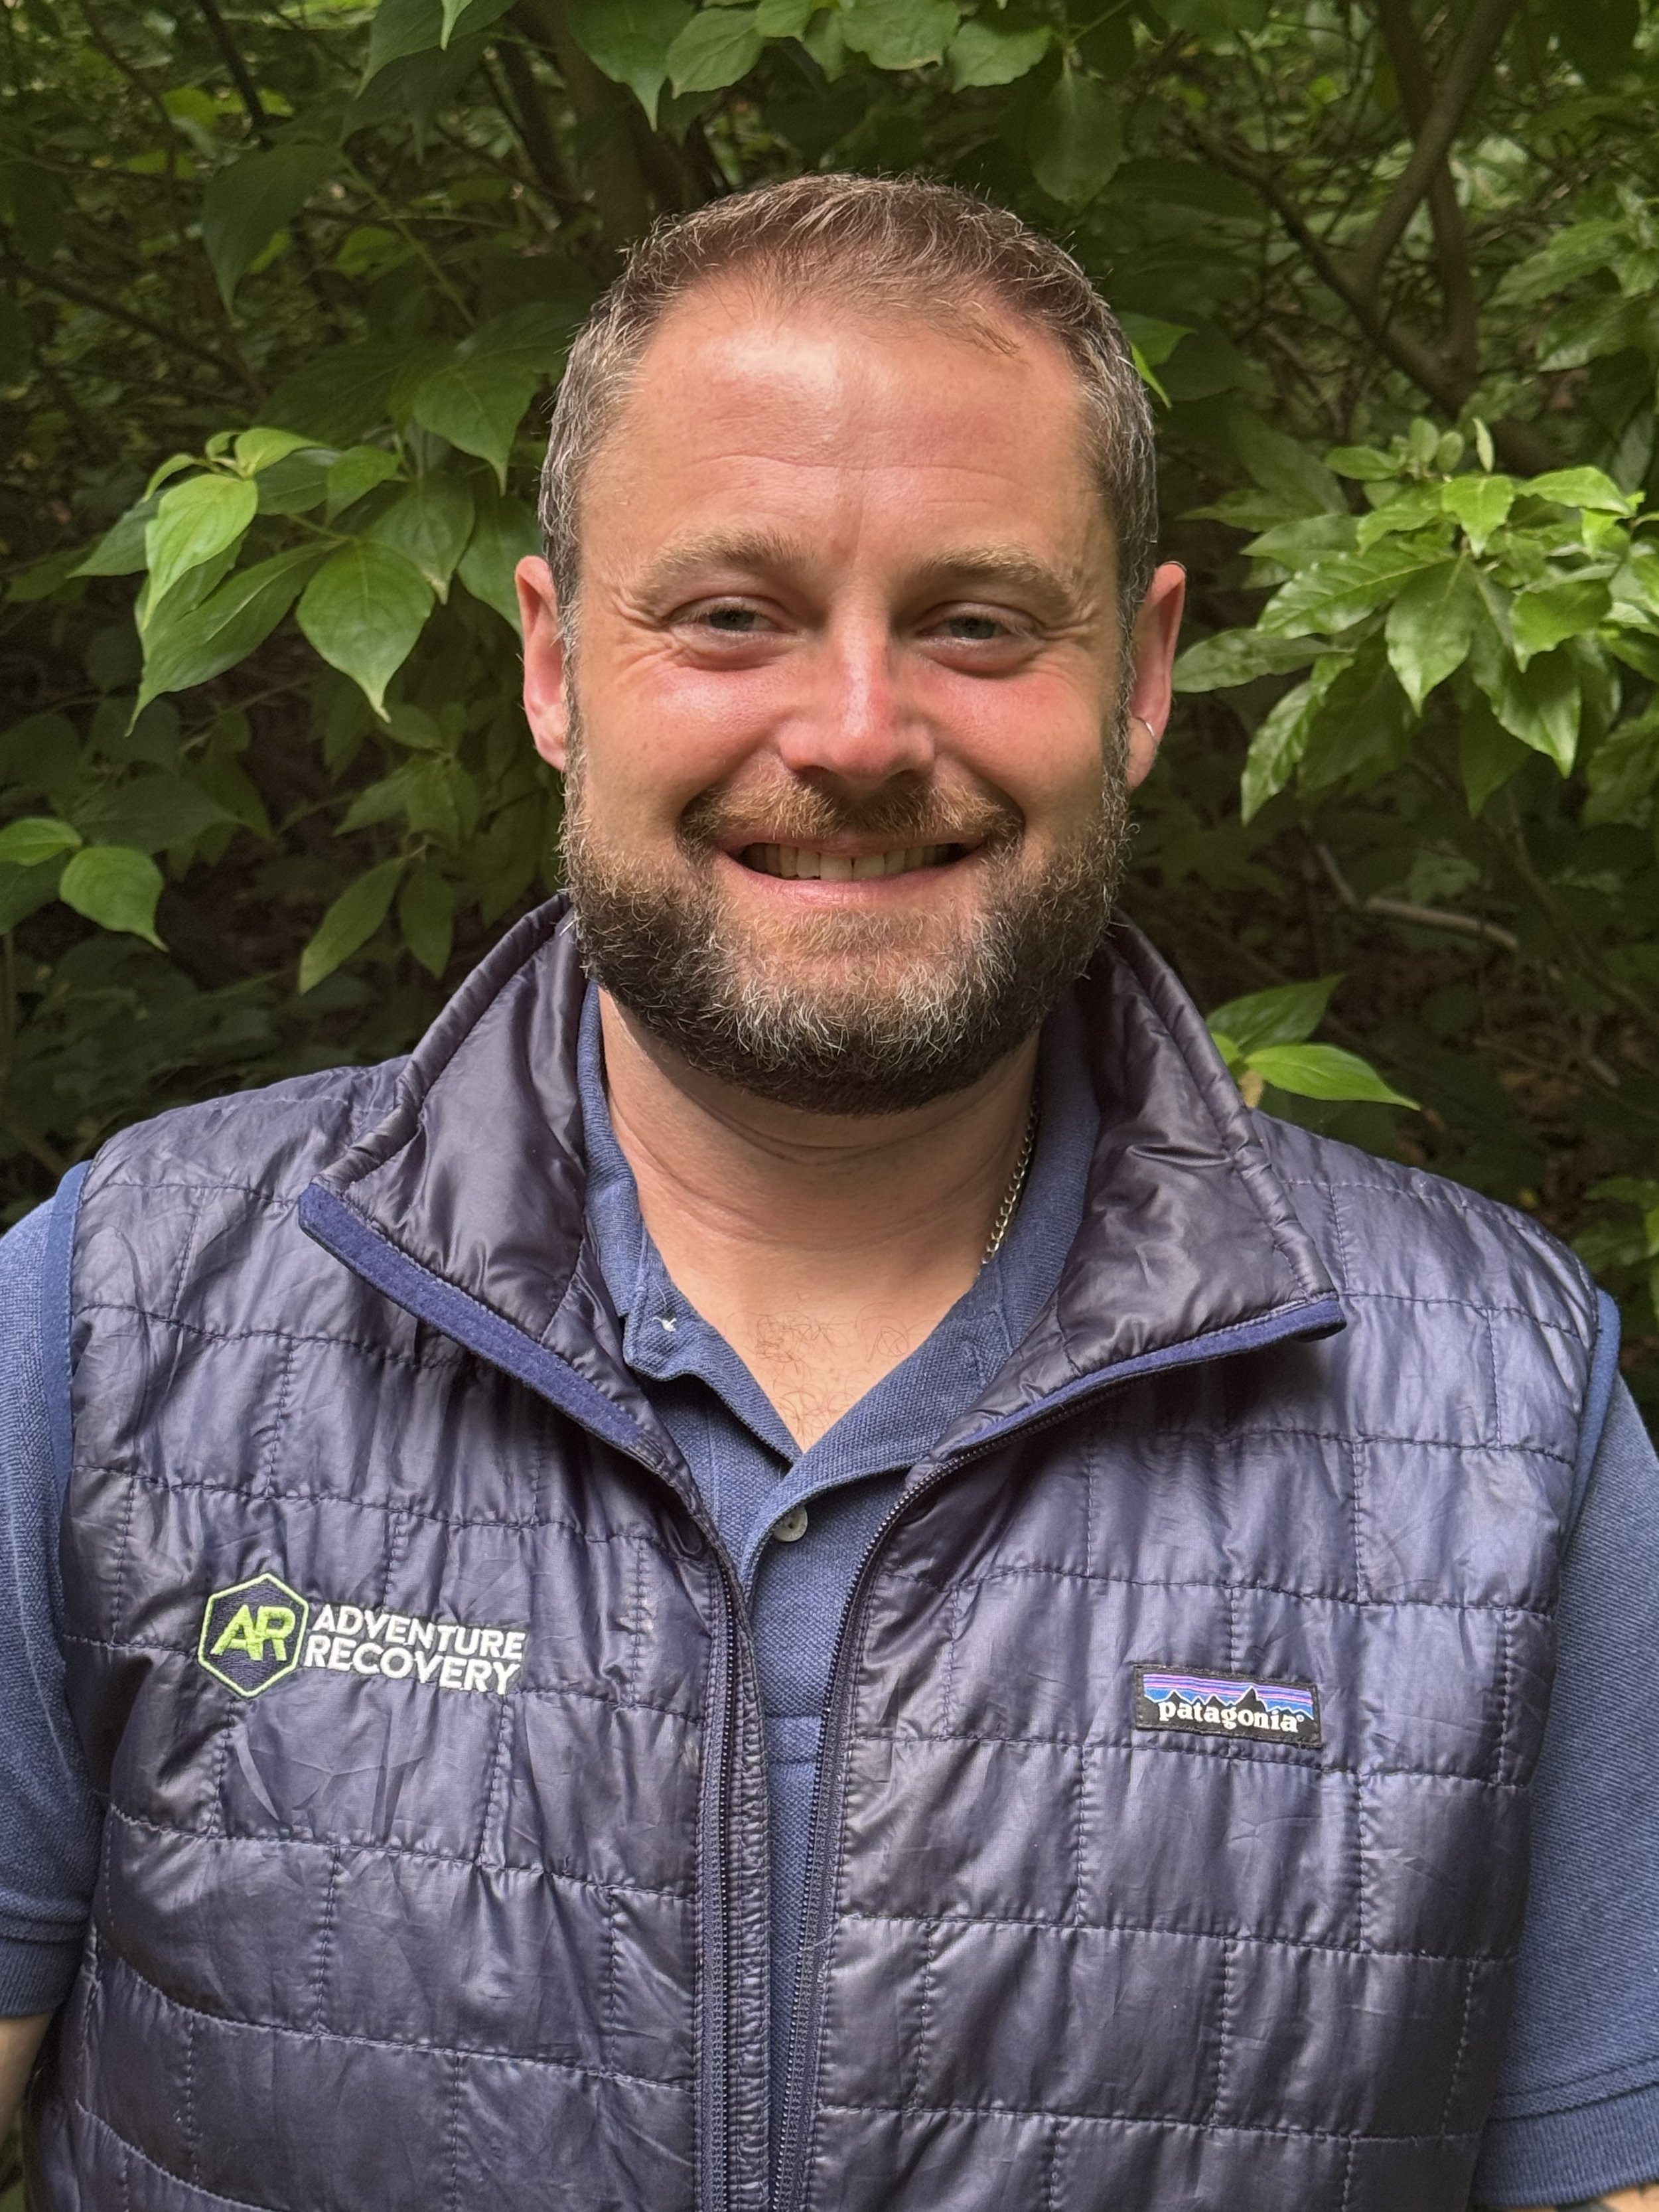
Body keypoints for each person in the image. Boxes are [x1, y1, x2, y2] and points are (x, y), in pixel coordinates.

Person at [1, 173, 1656, 2212]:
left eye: (973, 623)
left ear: (1135, 679)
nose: (858, 731)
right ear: (553, 663)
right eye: (729, 616)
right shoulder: (119, 1320)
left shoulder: (1494, 1415)